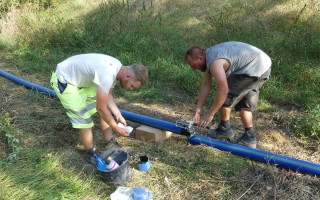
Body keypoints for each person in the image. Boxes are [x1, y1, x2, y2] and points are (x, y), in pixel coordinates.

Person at [50, 53, 148, 159]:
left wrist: (118, 114)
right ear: (127, 76)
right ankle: (91, 154)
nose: (131, 89)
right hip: (65, 81)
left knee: (105, 109)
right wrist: (116, 127)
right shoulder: (107, 74)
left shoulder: (118, 69)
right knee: (85, 122)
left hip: (82, 82)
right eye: (132, 86)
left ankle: (110, 142)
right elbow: (101, 109)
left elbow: (108, 95)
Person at [185, 41, 271, 149]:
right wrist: (198, 108)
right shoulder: (210, 55)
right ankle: (249, 137)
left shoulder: (214, 62)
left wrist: (210, 114)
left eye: (191, 64)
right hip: (262, 66)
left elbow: (223, 89)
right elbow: (206, 85)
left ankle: (224, 130)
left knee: (224, 98)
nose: (192, 68)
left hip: (255, 67)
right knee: (244, 103)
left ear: (199, 58)